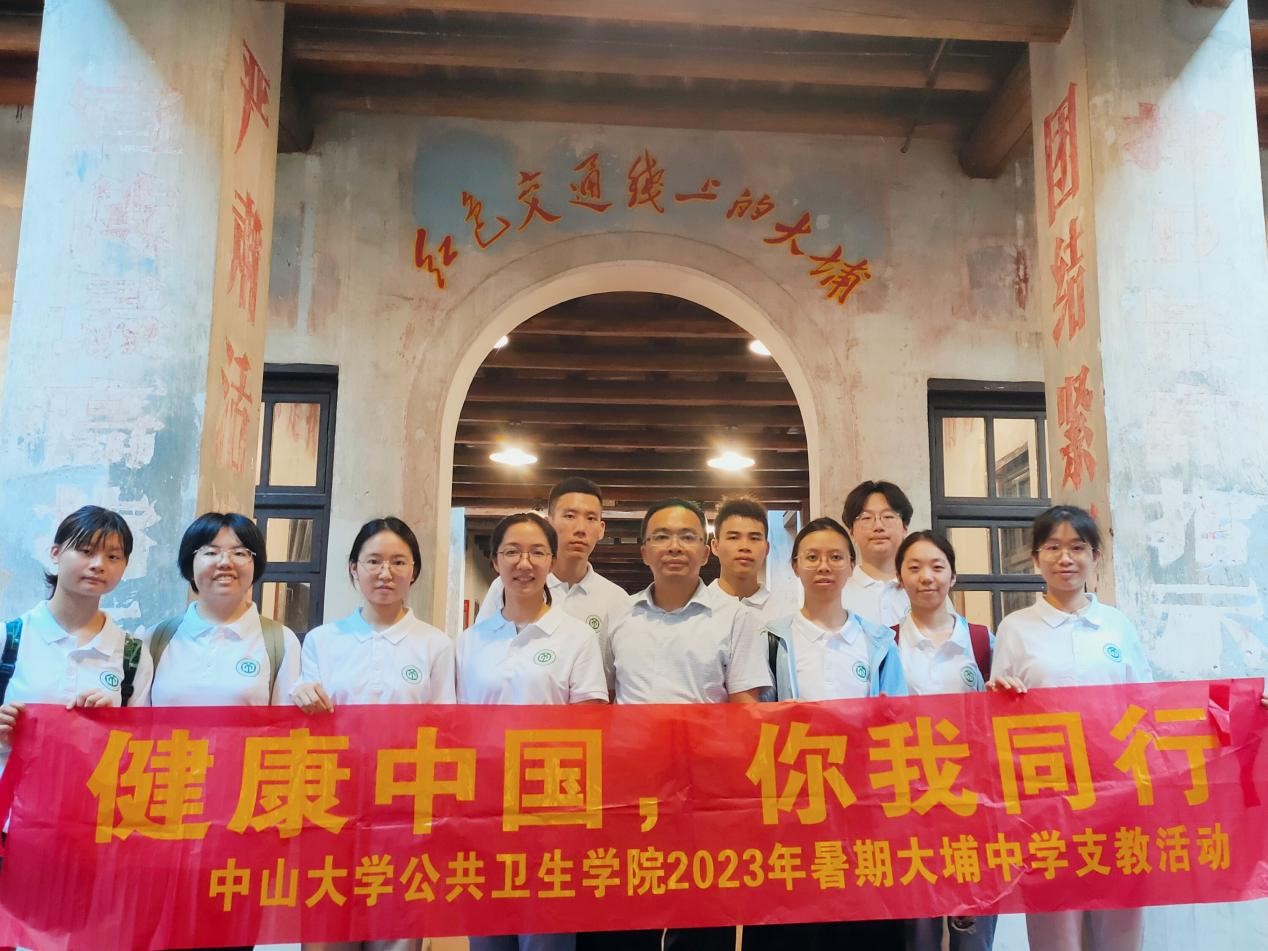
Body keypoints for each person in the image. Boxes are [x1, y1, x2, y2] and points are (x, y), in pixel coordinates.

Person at [608, 498, 771, 951]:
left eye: (687, 537)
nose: (674, 547)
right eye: (661, 536)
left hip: (704, 795)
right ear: (644, 551)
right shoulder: (620, 618)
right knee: (631, 916)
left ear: (705, 550)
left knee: (701, 921)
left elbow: (745, 710)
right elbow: (604, 703)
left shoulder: (736, 619)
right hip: (632, 795)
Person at [989, 505, 1151, 951]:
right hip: (1047, 802)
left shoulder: (1117, 626)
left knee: (1120, 923)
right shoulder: (1016, 629)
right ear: (1035, 557)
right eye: (1053, 547)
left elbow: (1148, 706)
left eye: (1077, 547)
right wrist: (1001, 694)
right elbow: (999, 717)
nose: (1065, 558)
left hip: (1117, 797)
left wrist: (1242, 715)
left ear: (1095, 556)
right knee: (1055, 925)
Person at [744, 516, 906, 951]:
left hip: (863, 808)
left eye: (835, 557)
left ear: (851, 565)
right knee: (797, 922)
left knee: (863, 922)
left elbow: (898, 721)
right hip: (793, 806)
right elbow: (754, 723)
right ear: (794, 566)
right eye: (812, 557)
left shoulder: (878, 642)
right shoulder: (770, 639)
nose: (824, 566)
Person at [291, 517, 450, 951]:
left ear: (414, 571)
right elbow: (304, 729)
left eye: (399, 562)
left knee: (396, 933)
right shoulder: (322, 641)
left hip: (405, 810)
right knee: (327, 927)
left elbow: (445, 731)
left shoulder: (435, 645)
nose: (385, 572)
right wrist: (301, 698)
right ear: (353, 568)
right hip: (333, 808)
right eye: (373, 561)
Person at [458, 512, 608, 951]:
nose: (524, 563)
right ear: (494, 561)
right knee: (488, 938)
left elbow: (590, 726)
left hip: (552, 813)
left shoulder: (575, 638)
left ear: (551, 561)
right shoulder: (470, 642)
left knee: (546, 938)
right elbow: (456, 727)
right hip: (484, 811)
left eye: (537, 552)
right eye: (512, 552)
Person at [893, 530, 995, 951]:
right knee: (916, 928)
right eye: (914, 567)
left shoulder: (981, 641)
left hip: (973, 804)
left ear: (953, 576)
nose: (926, 577)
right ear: (899, 577)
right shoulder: (884, 642)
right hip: (907, 803)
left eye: (937, 567)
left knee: (972, 927)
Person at [0, 505, 154, 781]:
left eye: (113, 556)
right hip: (11, 803)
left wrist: (109, 730)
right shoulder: (9, 639)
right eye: (85, 551)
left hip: (91, 804)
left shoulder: (132, 656)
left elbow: (139, 751)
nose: (98, 564)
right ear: (55, 553)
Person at [477, 478, 630, 691]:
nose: (580, 528)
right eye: (570, 516)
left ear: (601, 529)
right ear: (549, 524)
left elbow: (621, 675)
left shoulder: (617, 599)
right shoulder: (507, 587)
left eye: (591, 518)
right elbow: (481, 650)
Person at [147, 512, 300, 708]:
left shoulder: (281, 642)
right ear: (189, 566)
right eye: (211, 552)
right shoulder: (154, 639)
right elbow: (136, 720)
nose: (225, 562)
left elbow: (284, 723)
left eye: (240, 553)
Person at [707, 495, 797, 624]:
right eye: (733, 537)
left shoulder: (787, 615)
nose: (744, 547)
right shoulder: (693, 610)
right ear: (715, 546)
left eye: (754, 538)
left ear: (767, 548)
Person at [841, 480, 915, 626]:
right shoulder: (837, 594)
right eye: (866, 518)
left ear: (905, 527)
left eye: (888, 516)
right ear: (851, 531)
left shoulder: (924, 588)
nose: (878, 526)